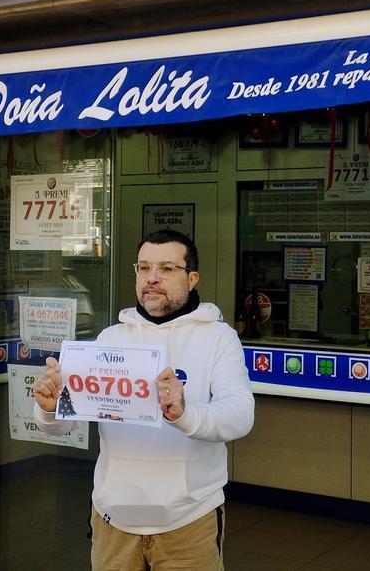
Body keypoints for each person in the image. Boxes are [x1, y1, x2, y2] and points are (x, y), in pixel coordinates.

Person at [32, 229, 254, 571]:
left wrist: (184, 413)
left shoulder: (218, 338)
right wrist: (49, 408)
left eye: (166, 268)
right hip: (114, 520)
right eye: (144, 267)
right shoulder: (111, 337)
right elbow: (68, 423)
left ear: (192, 278)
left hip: (187, 520)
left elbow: (240, 415)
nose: (152, 278)